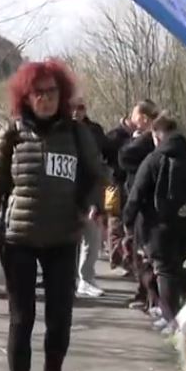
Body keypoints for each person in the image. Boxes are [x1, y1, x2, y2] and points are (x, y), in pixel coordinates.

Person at [0, 59, 105, 371]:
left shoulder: (78, 135)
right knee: (21, 319)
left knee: (59, 321)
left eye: (52, 92)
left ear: (62, 95)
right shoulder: (12, 135)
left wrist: (96, 204)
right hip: (20, 240)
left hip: (63, 239)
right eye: (38, 93)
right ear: (25, 97)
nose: (45, 99)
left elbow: (99, 178)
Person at [122, 114, 186, 334]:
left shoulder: (153, 160)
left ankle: (171, 319)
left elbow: (136, 194)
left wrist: (128, 221)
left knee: (164, 271)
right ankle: (179, 298)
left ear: (157, 135)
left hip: (158, 227)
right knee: (171, 269)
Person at [116, 100, 160, 312]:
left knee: (141, 253)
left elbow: (124, 157)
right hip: (140, 198)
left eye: (134, 116)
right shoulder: (146, 140)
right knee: (138, 250)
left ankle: (148, 296)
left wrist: (130, 139)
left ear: (143, 118)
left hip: (143, 201)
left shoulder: (146, 141)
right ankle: (145, 294)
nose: (131, 120)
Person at [69, 96, 109, 298]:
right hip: (64, 194)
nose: (76, 111)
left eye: (81, 107)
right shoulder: (60, 130)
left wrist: (97, 203)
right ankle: (68, 279)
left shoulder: (94, 132)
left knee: (91, 238)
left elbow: (100, 167)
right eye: (72, 108)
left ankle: (86, 279)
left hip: (89, 192)